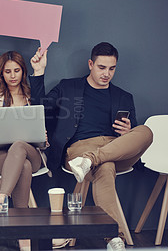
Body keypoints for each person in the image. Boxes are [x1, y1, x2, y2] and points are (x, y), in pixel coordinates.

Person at [30, 42, 153, 247]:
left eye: (112, 68)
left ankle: (90, 160)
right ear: (90, 64)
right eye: (101, 67)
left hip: (114, 148)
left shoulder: (124, 96)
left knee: (146, 132)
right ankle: (115, 238)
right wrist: (39, 72)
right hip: (80, 148)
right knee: (105, 167)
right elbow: (39, 109)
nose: (107, 74)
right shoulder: (68, 87)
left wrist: (128, 132)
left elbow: (134, 141)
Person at [0, 48, 48, 251]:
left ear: (23, 72)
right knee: (25, 166)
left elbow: (44, 127)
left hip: (31, 151)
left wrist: (43, 137)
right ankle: (24, 240)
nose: (12, 76)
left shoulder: (32, 96)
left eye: (17, 70)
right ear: (1, 74)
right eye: (7, 71)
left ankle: (2, 198)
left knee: (20, 146)